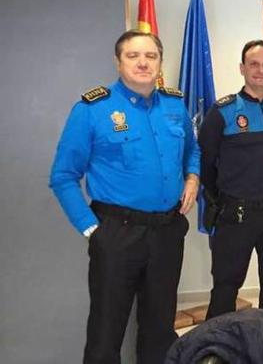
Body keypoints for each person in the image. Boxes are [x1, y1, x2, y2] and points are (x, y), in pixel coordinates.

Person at [49, 30, 200, 364]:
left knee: (160, 328)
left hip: (166, 232)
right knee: (107, 329)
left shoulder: (174, 105)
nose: (143, 63)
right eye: (133, 56)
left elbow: (192, 149)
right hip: (117, 232)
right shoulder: (92, 109)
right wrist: (93, 230)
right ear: (118, 62)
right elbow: (62, 177)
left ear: (160, 62)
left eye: (151, 56)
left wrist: (193, 177)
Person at [199, 40, 263, 323]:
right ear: (242, 68)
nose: (260, 70)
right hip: (235, 214)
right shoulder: (222, 112)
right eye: (253, 64)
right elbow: (206, 162)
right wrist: (224, 196)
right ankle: (217, 351)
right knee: (225, 288)